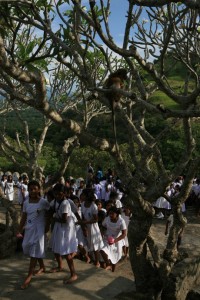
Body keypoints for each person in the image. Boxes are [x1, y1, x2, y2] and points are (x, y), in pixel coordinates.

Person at [17, 180, 50, 289]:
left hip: (39, 230)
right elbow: (24, 217)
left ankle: (29, 276)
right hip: (29, 229)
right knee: (27, 247)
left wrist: (47, 226)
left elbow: (50, 213)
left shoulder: (43, 202)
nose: (32, 191)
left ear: (39, 190)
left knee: (34, 251)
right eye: (30, 189)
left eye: (34, 189)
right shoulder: (26, 203)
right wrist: (19, 229)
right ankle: (42, 267)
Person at [48, 183, 78, 284]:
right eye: (55, 194)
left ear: (64, 194)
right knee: (55, 247)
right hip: (58, 227)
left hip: (66, 229)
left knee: (66, 252)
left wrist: (52, 218)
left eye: (60, 194)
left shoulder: (65, 203)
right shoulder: (55, 201)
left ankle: (73, 274)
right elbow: (51, 209)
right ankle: (60, 265)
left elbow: (64, 220)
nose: (57, 196)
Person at [77, 189, 104, 267]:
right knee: (79, 243)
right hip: (84, 226)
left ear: (87, 196)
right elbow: (82, 217)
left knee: (95, 245)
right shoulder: (82, 204)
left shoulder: (93, 206)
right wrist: (83, 227)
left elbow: (96, 219)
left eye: (83, 194)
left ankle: (97, 262)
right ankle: (87, 257)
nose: (81, 195)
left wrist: (85, 222)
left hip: (92, 228)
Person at [100, 206, 127, 272]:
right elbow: (103, 226)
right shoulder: (107, 219)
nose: (111, 215)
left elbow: (124, 234)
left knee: (114, 257)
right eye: (109, 213)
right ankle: (108, 264)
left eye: (112, 214)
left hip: (116, 240)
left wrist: (114, 241)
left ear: (117, 214)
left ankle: (113, 271)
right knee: (102, 250)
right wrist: (102, 233)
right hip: (107, 238)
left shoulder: (121, 221)